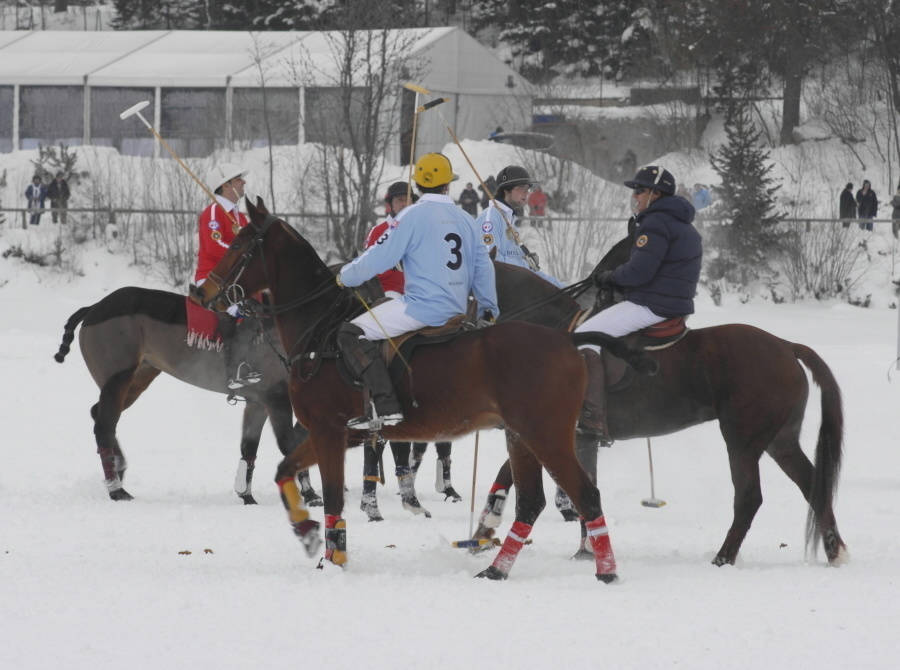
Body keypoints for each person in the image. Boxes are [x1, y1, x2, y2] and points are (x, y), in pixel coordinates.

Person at [337, 153, 499, 430]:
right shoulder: (466, 218)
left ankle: (386, 406)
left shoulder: (410, 214)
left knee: (350, 332)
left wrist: (345, 277)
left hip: (420, 309)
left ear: (418, 185)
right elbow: (483, 268)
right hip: (457, 310)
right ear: (448, 185)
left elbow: (378, 258)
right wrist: (489, 310)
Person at [576, 165, 701, 443]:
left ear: (656, 194)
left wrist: (609, 277)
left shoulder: (655, 222)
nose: (635, 196)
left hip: (651, 305)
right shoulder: (681, 222)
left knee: (582, 339)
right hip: (670, 303)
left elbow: (639, 272)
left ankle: (591, 417)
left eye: (640, 190)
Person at [358, 181, 460, 511]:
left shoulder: (423, 225)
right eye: (398, 199)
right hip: (388, 298)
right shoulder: (380, 230)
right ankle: (376, 395)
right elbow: (372, 268)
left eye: (408, 199)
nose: (403, 203)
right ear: (389, 204)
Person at [194, 162, 260, 391]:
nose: (244, 182)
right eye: (238, 179)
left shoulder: (239, 218)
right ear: (226, 185)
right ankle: (234, 370)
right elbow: (214, 247)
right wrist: (246, 253)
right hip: (212, 280)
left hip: (235, 281)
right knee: (242, 312)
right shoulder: (213, 212)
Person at [475, 164, 564, 288]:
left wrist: (562, 288)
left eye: (528, 188)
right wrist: (523, 266)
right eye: (521, 188)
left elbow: (531, 272)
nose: (526, 193)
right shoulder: (491, 216)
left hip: (512, 293)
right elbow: (489, 259)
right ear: (506, 190)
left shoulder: (511, 223)